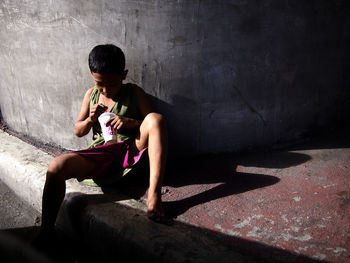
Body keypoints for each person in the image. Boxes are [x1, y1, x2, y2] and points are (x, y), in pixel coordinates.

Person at [35, 44, 168, 243]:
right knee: (56, 167)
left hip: (129, 149)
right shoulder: (91, 95)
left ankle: (154, 196)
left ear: (124, 75)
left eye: (112, 83)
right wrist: (89, 120)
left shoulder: (134, 92)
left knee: (156, 119)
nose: (106, 89)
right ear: (92, 76)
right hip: (102, 156)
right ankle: (46, 231)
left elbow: (150, 125)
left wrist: (131, 123)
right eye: (100, 84)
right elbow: (78, 131)